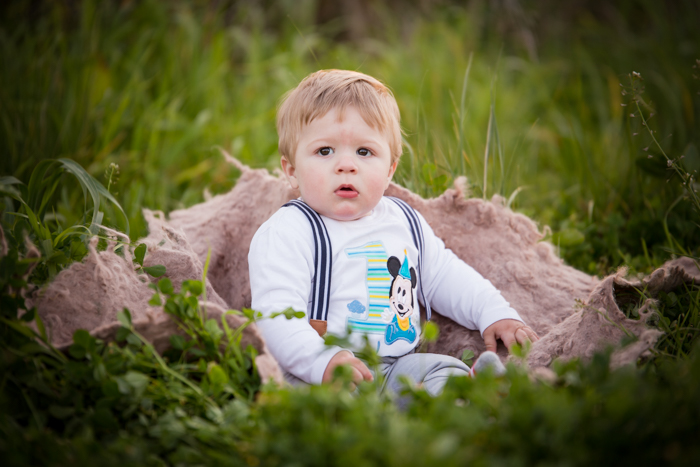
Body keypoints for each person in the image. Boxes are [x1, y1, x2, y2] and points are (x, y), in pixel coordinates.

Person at [249, 69, 539, 396]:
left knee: (439, 369)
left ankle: (468, 390)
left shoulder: (403, 221)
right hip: (322, 372)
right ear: (291, 171)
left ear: (389, 171)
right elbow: (276, 313)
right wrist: (322, 361)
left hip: (399, 365)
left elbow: (447, 276)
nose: (346, 165)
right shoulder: (289, 231)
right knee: (309, 399)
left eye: (364, 152)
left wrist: (494, 314)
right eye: (325, 151)